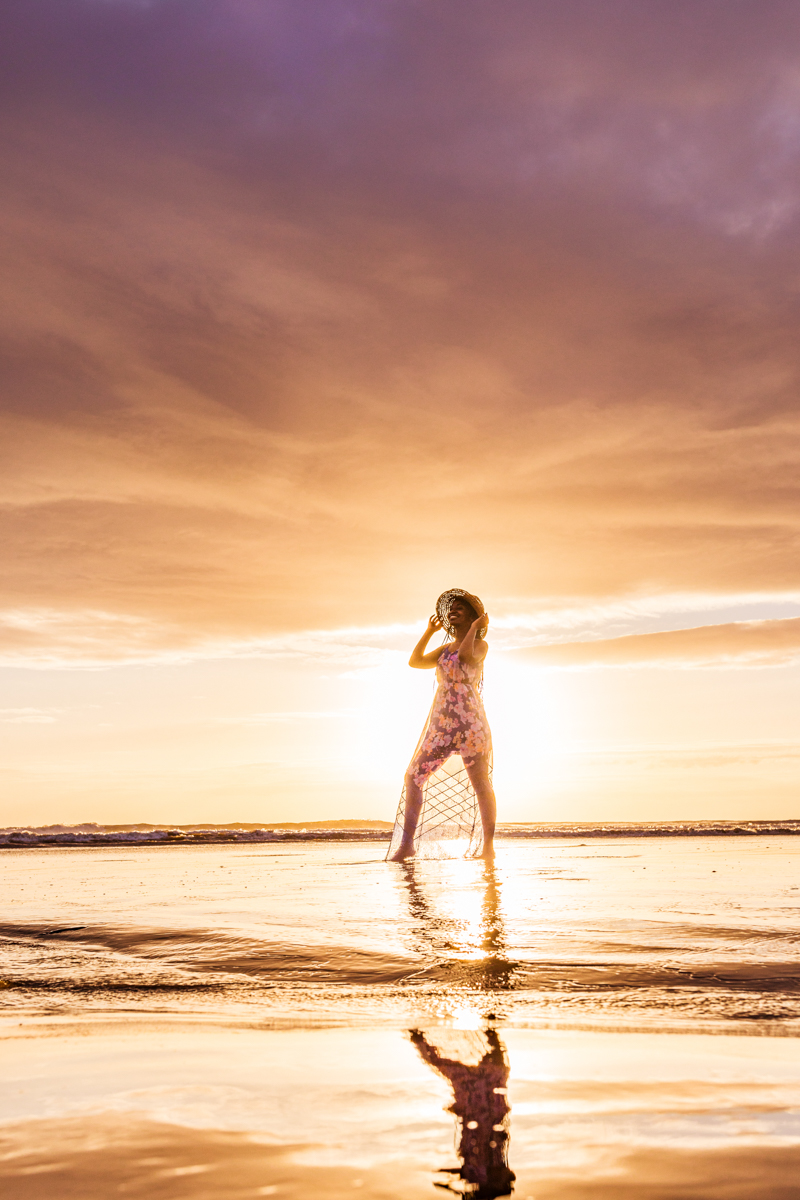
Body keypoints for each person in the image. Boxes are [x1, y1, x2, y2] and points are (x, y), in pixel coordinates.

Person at [388, 589, 496, 860]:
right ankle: (407, 844)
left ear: (472, 616)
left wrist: (473, 629)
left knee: (480, 782)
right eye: (453, 608)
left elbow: (466, 658)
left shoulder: (480, 645)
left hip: (471, 723)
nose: (454, 610)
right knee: (413, 778)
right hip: (442, 725)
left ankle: (488, 847)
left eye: (462, 608)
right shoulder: (444, 649)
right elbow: (415, 662)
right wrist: (429, 632)